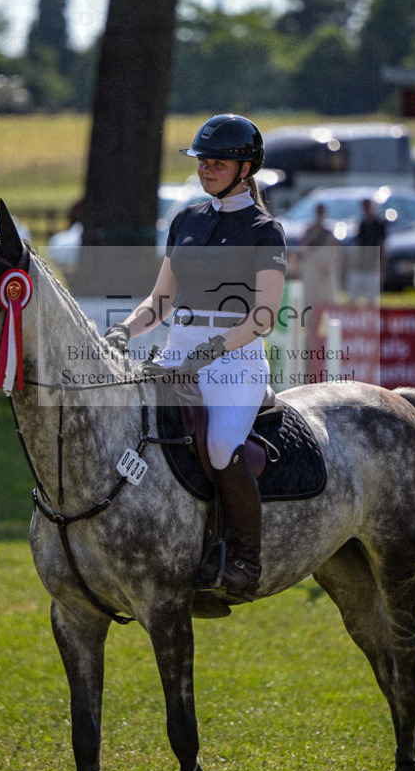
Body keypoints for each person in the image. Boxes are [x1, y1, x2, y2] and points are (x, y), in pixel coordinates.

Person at [104, 114, 287, 601]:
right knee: (131, 426)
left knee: (221, 444)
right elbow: (161, 298)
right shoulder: (186, 220)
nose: (206, 169)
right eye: (202, 160)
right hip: (178, 350)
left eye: (218, 162)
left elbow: (265, 315)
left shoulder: (264, 230)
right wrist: (125, 329)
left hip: (235, 359)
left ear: (245, 169)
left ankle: (246, 558)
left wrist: (213, 348)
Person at [301, 202, 340, 308]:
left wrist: (328, 265)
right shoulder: (310, 231)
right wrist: (317, 265)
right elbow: (306, 249)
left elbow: (334, 251)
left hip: (326, 269)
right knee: (311, 299)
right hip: (313, 269)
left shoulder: (328, 233)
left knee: (327, 298)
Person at [348, 198, 386, 304]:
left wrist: (381, 263)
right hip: (362, 261)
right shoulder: (362, 225)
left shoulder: (379, 225)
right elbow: (359, 244)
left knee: (372, 296)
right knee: (354, 293)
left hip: (373, 261)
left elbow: (382, 245)